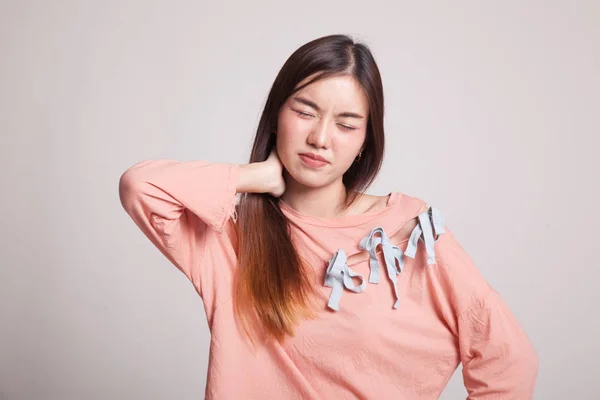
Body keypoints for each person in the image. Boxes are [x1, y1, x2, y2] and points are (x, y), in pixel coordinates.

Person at [119, 34, 538, 399]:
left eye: (346, 124)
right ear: (277, 115)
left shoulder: (406, 231)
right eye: (304, 111)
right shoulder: (228, 237)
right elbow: (141, 187)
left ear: (364, 142)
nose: (320, 138)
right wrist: (255, 176)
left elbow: (508, 362)